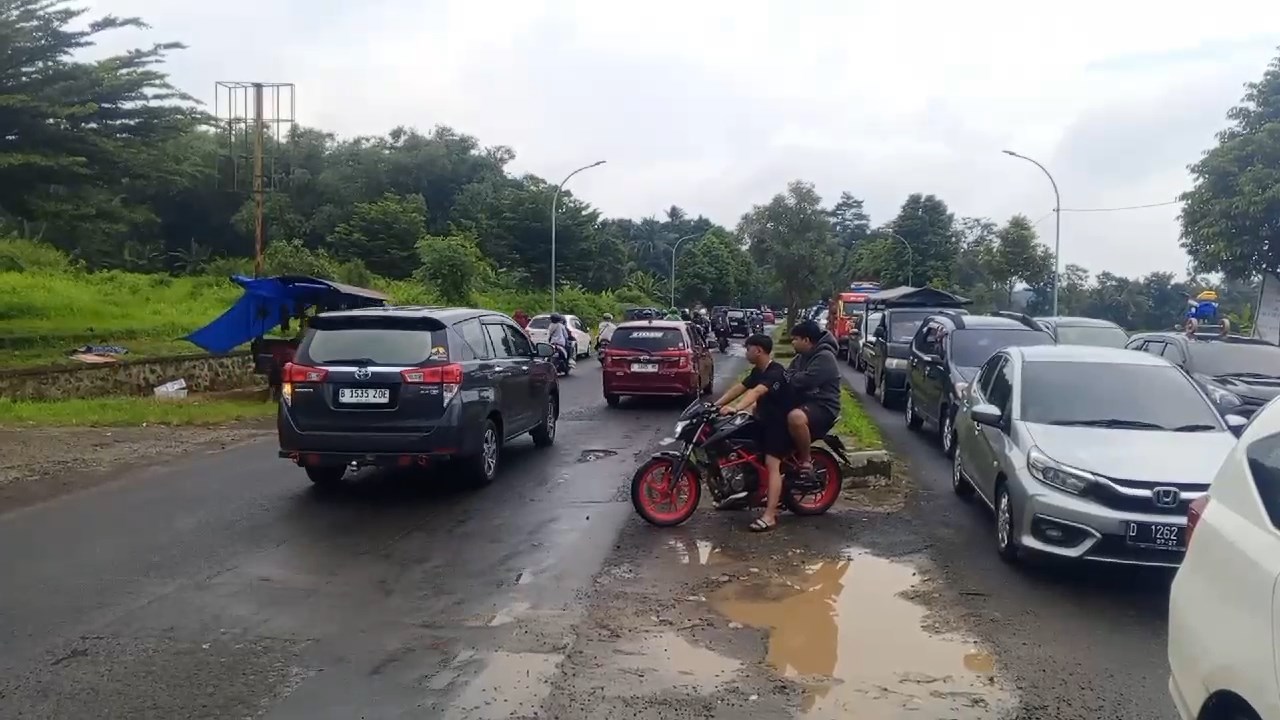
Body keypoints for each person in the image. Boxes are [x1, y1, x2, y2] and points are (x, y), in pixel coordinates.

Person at [712, 333, 791, 531]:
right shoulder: (758, 371)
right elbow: (740, 387)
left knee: (772, 464)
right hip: (761, 420)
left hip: (778, 424)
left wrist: (736, 408)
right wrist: (715, 406)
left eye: (748, 348)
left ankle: (770, 515)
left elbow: (756, 392)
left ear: (758, 350)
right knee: (734, 444)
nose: (746, 352)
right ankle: (738, 494)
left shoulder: (776, 372)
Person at [785, 320, 843, 482]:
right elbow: (787, 377)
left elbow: (804, 381)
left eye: (795, 338)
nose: (792, 342)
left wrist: (793, 378)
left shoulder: (825, 357)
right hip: (806, 401)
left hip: (824, 406)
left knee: (795, 418)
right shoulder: (800, 358)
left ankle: (806, 460)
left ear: (806, 340)